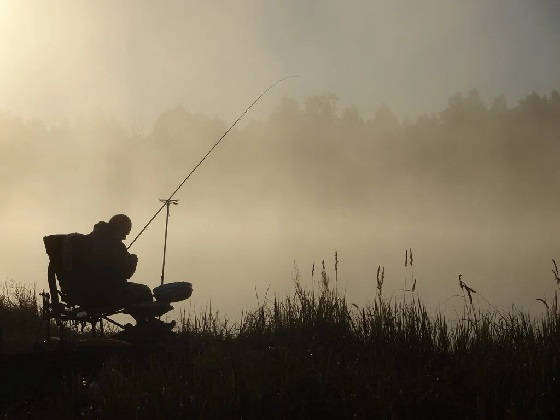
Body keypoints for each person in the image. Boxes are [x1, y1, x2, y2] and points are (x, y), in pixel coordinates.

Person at [74, 214, 153, 311]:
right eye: (124, 233)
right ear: (118, 229)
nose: (124, 238)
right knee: (144, 291)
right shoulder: (115, 245)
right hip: (107, 294)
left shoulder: (89, 240)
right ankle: (146, 323)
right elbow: (127, 273)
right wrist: (133, 259)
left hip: (85, 292)